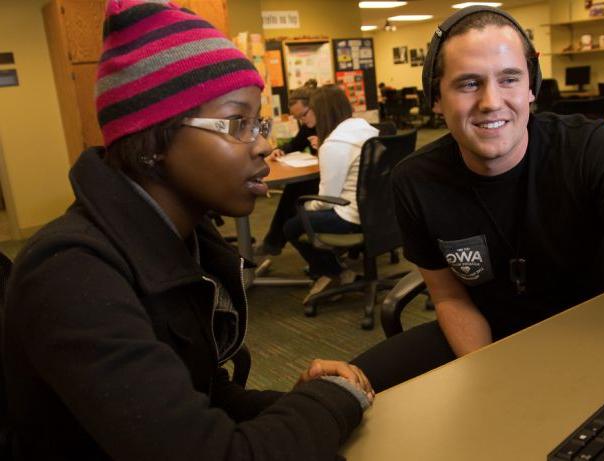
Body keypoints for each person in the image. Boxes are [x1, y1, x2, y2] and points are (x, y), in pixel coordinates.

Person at [2, 2, 372, 459]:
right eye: (239, 122)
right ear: (154, 139)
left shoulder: (182, 242)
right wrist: (329, 404)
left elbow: (206, 400)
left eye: (259, 122)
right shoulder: (72, 274)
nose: (264, 144)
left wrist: (298, 404)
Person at [351, 6, 604, 392]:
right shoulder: (415, 181)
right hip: (495, 334)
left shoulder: (592, 148)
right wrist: (492, 378)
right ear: (436, 98)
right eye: (469, 83)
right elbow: (450, 297)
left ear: (531, 86)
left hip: (602, 333)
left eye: (509, 79)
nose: (491, 101)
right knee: (340, 388)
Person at [283, 86, 379, 303]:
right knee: (304, 215)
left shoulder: (334, 144)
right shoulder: (367, 130)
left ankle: (334, 272)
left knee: (291, 225)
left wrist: (307, 209)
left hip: (352, 217)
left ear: (321, 111)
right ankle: (335, 267)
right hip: (378, 213)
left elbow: (326, 200)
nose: (303, 120)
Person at [254, 86, 320, 259]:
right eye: (298, 118)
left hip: (333, 182)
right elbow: (296, 144)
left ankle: (273, 242)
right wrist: (280, 150)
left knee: (294, 194)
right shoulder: (308, 126)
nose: (302, 121)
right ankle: (273, 242)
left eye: (303, 115)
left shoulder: (332, 126)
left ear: (316, 106)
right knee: (293, 190)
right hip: (319, 175)